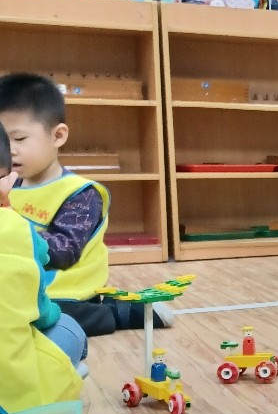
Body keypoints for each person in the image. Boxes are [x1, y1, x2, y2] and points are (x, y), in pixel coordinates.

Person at [0, 73, 168, 335]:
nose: (9, 150)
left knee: (45, 318)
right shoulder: (9, 185)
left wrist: (12, 233)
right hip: (22, 285)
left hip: (65, 292)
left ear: (58, 136)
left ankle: (115, 312)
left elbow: (64, 251)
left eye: (19, 139)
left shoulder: (81, 194)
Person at [0, 121, 85, 414]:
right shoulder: (17, 230)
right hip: (12, 409)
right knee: (68, 328)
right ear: (7, 180)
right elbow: (41, 312)